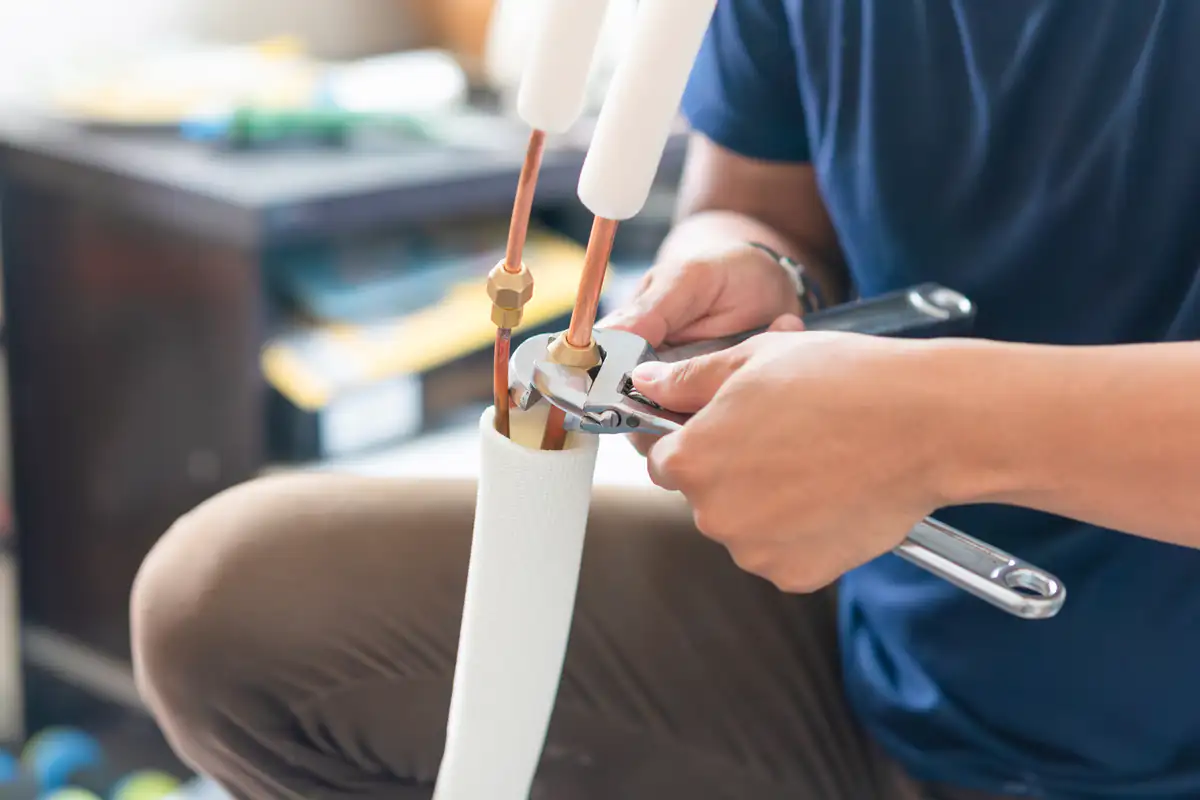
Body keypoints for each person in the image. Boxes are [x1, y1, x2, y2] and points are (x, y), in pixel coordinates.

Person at [130, 1, 1200, 798]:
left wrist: (945, 421)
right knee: (230, 599)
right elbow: (755, 207)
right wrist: (752, 273)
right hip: (885, 679)